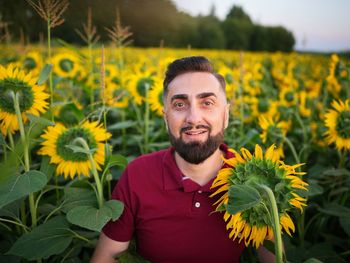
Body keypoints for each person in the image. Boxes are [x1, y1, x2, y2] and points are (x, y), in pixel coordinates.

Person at [91, 56, 275, 263]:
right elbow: (106, 257)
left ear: (226, 115)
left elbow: (274, 257)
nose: (193, 118)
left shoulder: (254, 179)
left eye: (207, 103)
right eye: (180, 104)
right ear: (165, 118)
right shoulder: (138, 175)